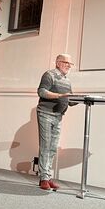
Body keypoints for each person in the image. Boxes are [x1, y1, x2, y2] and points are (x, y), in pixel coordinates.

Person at [36, 54, 75, 190]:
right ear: (58, 63)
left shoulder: (67, 81)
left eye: (71, 64)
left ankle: (47, 175)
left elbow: (69, 99)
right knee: (45, 145)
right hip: (45, 114)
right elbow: (41, 92)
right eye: (66, 63)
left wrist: (80, 99)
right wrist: (59, 95)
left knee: (53, 147)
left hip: (59, 116)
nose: (69, 66)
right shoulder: (49, 75)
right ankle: (43, 179)